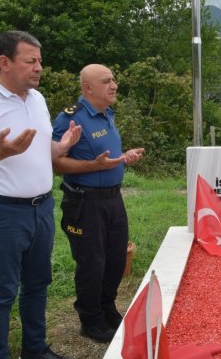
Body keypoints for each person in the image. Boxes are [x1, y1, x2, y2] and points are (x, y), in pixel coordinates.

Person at [0, 30, 81, 359]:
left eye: (40, 61)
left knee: (37, 284)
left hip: (42, 209)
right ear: (4, 62)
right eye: (30, 61)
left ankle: (35, 350)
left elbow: (37, 145)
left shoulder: (36, 99)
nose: (39, 68)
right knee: (1, 292)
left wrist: (60, 147)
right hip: (1, 213)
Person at [51, 64, 145, 343]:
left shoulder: (108, 114)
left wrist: (124, 156)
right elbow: (55, 163)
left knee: (116, 259)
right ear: (88, 88)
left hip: (113, 200)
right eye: (106, 81)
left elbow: (108, 157)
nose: (114, 84)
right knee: (92, 263)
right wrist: (94, 165)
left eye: (114, 79)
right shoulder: (71, 118)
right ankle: (90, 319)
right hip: (85, 202)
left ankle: (107, 308)